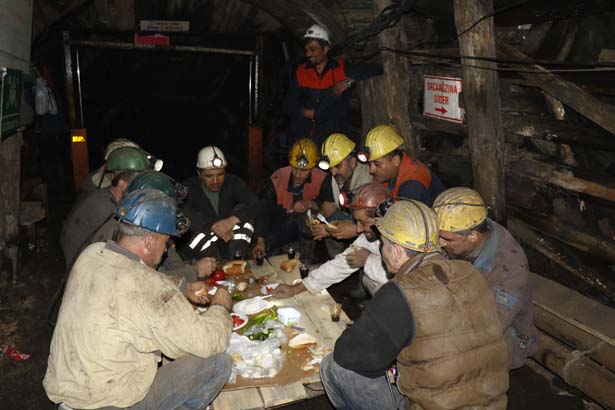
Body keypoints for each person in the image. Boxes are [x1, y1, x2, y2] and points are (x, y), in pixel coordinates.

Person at [44, 189, 233, 410]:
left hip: (71, 395)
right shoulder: (149, 287)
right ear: (150, 241)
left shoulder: (92, 254)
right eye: (165, 242)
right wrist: (220, 307)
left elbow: (127, 281)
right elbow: (208, 342)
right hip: (112, 404)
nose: (165, 250)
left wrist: (182, 287)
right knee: (217, 361)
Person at [320, 200, 510, 410]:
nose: (382, 251)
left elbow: (348, 354)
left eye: (383, 244)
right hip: (492, 403)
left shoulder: (400, 292)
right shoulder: (471, 272)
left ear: (397, 251)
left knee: (334, 367)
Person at [432, 187, 540, 369]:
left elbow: (489, 328)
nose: (440, 244)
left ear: (473, 236)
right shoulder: (473, 228)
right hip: (464, 306)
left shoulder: (510, 269)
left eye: (446, 239)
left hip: (505, 336)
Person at [85, 170, 216, 282]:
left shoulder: (135, 223)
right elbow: (144, 280)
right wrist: (194, 271)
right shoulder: (114, 235)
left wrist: (187, 280)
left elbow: (174, 265)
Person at [274, 183, 390, 298]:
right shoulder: (370, 237)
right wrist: (295, 289)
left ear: (382, 218)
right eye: (356, 222)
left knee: (370, 280)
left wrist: (368, 261)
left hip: (399, 303)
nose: (358, 229)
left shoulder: (399, 239)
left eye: (363, 222)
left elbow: (399, 278)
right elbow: (340, 264)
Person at [284, 24, 382, 147]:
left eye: (313, 49)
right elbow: (288, 104)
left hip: (334, 139)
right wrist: (307, 113)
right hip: (305, 136)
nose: (308, 54)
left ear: (325, 49)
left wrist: (347, 82)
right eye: (307, 50)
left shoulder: (340, 69)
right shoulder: (301, 72)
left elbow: (375, 69)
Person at [60, 146, 150, 269]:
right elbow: (120, 254)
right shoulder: (103, 209)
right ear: (122, 185)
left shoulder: (109, 196)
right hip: (83, 269)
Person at [180, 146, 259, 260]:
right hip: (206, 247)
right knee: (190, 226)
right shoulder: (188, 187)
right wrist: (213, 226)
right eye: (209, 176)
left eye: (220, 174)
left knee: (245, 215)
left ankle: (236, 260)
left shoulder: (232, 182)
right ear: (199, 173)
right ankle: (212, 263)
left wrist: (231, 220)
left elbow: (255, 203)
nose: (215, 181)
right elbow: (179, 209)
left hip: (231, 241)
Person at [252, 138, 327, 258]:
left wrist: (309, 204)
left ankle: (307, 258)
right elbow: (265, 211)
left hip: (305, 229)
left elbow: (329, 205)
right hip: (280, 224)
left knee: (307, 221)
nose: (298, 175)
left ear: (313, 166)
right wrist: (260, 241)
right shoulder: (278, 177)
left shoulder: (322, 179)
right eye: (295, 168)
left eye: (304, 171)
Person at [311, 133, 372, 258]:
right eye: (330, 167)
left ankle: (354, 261)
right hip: (351, 216)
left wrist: (329, 230)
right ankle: (337, 259)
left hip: (368, 226)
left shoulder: (366, 181)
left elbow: (370, 222)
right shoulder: (339, 176)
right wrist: (318, 218)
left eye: (338, 166)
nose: (333, 172)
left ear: (353, 162)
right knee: (328, 220)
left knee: (331, 225)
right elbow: (331, 203)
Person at [361, 125, 444, 206]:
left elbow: (401, 214)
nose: (371, 170)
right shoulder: (394, 169)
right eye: (370, 164)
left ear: (396, 160)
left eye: (377, 164)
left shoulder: (411, 186)